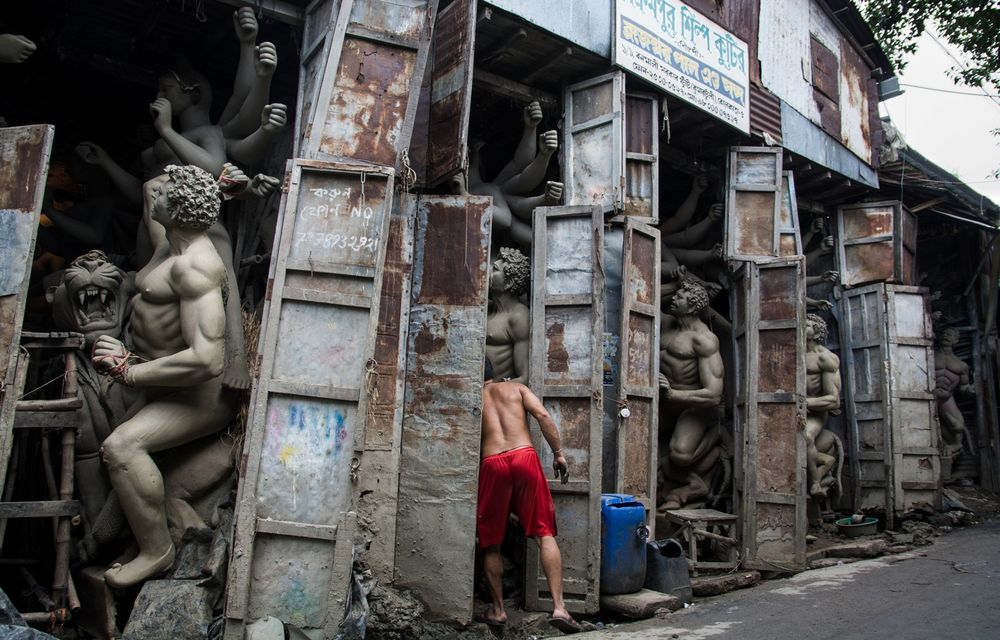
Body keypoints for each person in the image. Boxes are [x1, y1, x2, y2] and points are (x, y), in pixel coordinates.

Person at [92, 165, 236, 588]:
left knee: (120, 448)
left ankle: (156, 551)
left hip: (199, 396)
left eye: (167, 192)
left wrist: (128, 371)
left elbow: (206, 360)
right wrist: (215, 187)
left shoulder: (195, 266)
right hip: (164, 381)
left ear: (177, 207)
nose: (157, 193)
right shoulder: (170, 239)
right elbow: (149, 184)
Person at [477, 360, 581, 633]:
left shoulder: (471, 400)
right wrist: (558, 453)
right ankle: (559, 607)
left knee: (491, 543)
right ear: (494, 374)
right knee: (544, 532)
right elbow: (543, 416)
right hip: (524, 457)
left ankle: (498, 610)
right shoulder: (516, 388)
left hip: (491, 463)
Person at [658, 280, 725, 509]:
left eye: (682, 295)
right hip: (665, 403)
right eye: (676, 293)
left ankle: (715, 440)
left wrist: (673, 394)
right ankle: (687, 484)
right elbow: (644, 291)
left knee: (680, 455)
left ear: (694, 306)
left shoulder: (704, 340)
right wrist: (676, 280)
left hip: (692, 405)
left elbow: (714, 395)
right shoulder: (666, 321)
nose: (674, 297)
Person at [804, 314, 842, 497]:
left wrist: (804, 402)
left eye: (807, 326)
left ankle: (815, 483)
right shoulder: (790, 352)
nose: (802, 328)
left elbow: (833, 400)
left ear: (817, 333)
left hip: (814, 413)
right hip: (791, 409)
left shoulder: (825, 358)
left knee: (805, 437)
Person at [486, 247, 531, 384]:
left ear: (508, 283)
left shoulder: (518, 316)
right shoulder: (485, 309)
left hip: (496, 397)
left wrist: (493, 390)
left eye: (495, 269)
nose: (487, 271)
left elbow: (524, 377)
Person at [934, 326, 975, 458]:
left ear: (956, 340)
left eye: (950, 335)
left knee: (958, 426)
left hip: (946, 398)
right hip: (929, 396)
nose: (946, 336)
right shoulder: (930, 355)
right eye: (945, 334)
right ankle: (940, 440)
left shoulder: (962, 365)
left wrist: (970, 390)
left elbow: (963, 388)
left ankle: (956, 445)